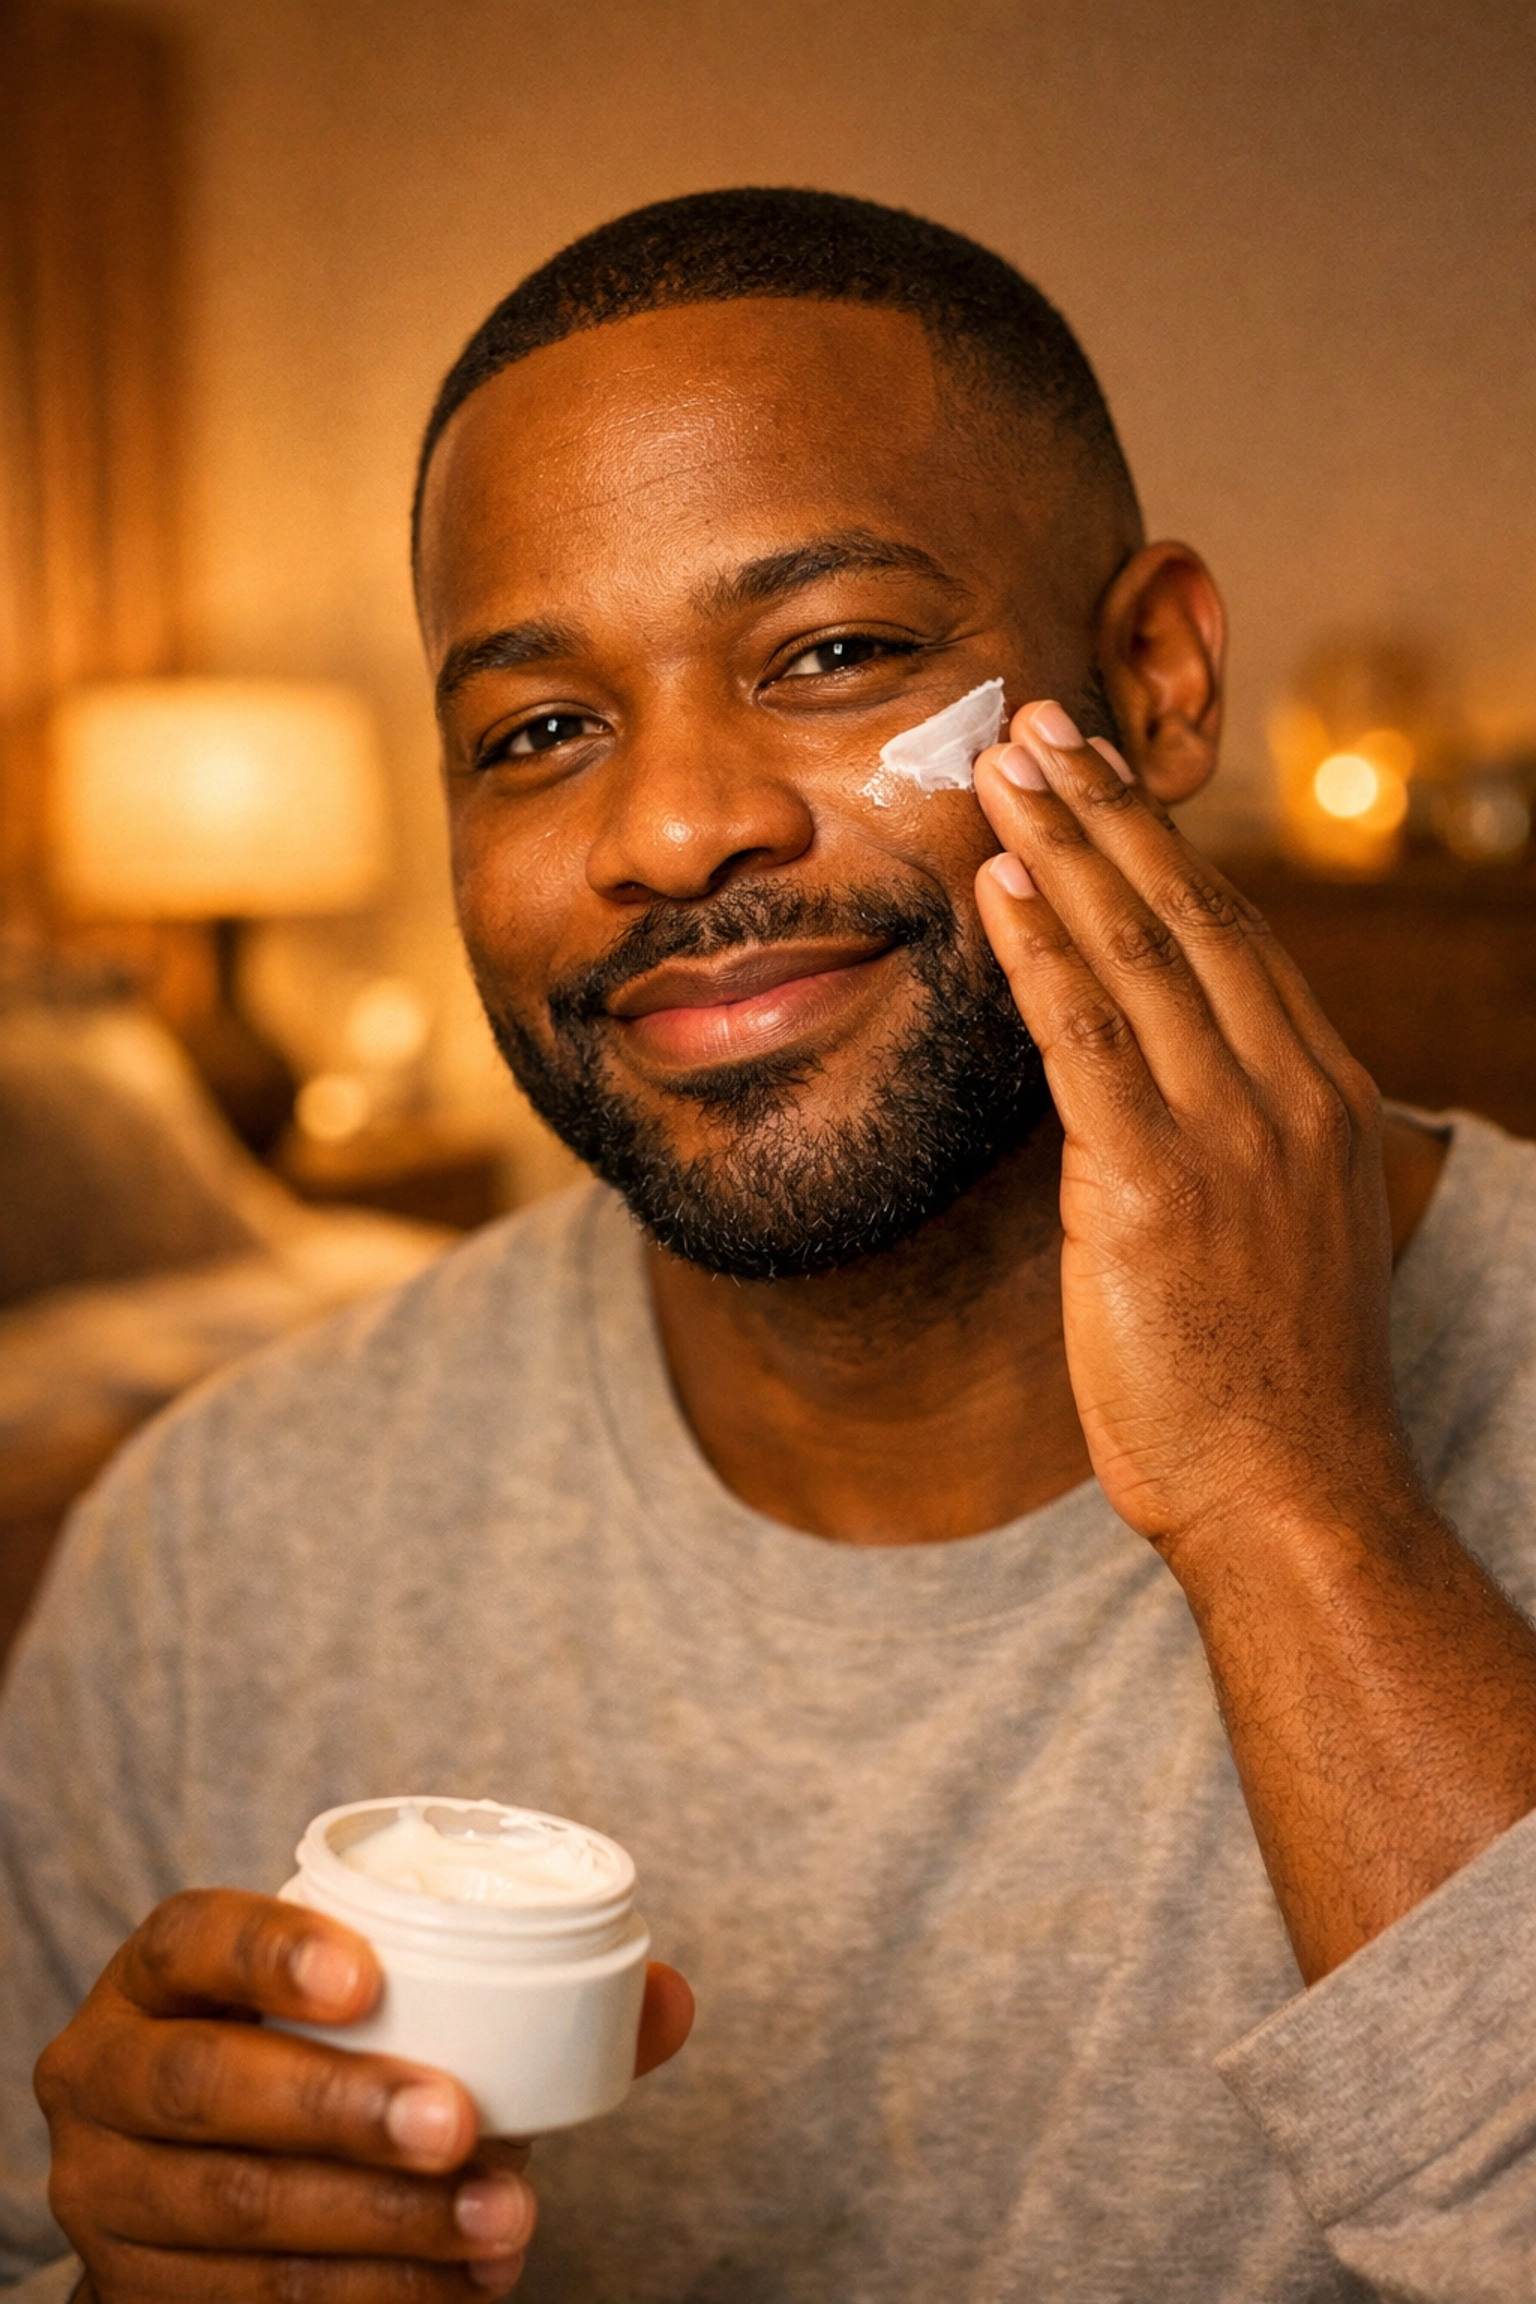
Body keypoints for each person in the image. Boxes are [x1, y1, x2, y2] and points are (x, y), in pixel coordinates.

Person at [4, 188, 1536, 2304]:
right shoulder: (208, 1553)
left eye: (831, 657)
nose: (666, 831)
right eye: (538, 732)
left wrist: (1301, 1508)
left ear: (1158, 678)